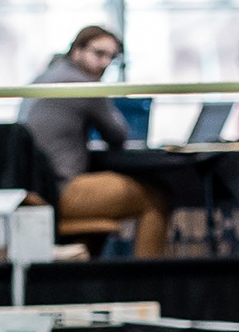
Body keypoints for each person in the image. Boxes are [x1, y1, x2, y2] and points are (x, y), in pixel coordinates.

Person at [19, 27, 169, 257]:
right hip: (61, 190)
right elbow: (117, 135)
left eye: (112, 57)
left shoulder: (46, 76)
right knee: (157, 197)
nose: (105, 62)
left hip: (34, 191)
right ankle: (148, 281)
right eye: (99, 54)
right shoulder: (82, 83)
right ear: (77, 50)